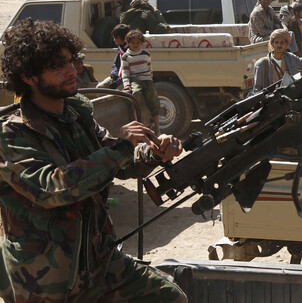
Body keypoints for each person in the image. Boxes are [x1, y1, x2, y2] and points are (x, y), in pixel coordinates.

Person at [0, 19, 186, 303]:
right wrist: (122, 147)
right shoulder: (12, 135)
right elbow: (53, 189)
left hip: (99, 263)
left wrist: (154, 153)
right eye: (57, 65)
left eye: (70, 60)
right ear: (28, 76)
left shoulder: (76, 116)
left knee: (169, 297)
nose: (71, 70)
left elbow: (115, 161)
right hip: (46, 279)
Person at [251, 28, 302, 93]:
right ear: (272, 44)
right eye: (276, 42)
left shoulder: (291, 58)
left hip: (289, 97)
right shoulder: (262, 64)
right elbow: (257, 89)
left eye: (282, 43)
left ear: (286, 45)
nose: (279, 45)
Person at [120, 30, 161, 134]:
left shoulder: (146, 54)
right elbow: (125, 72)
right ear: (128, 43)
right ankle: (135, 121)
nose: (135, 45)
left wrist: (150, 79)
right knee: (136, 93)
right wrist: (127, 85)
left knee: (153, 98)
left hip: (146, 79)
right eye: (133, 42)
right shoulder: (125, 56)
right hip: (135, 79)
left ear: (141, 43)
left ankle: (157, 127)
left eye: (138, 42)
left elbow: (150, 68)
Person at [97, 23, 131, 89]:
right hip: (117, 76)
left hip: (126, 78)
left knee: (116, 92)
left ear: (119, 37)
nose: (114, 40)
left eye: (115, 37)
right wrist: (113, 76)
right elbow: (116, 64)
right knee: (100, 87)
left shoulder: (130, 50)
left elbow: (129, 71)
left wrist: (117, 82)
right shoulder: (120, 48)